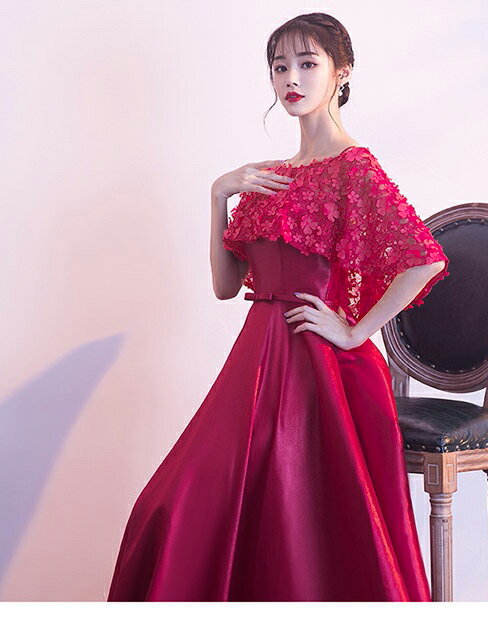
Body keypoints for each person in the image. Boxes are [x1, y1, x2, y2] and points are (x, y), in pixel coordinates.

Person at [107, 12, 449, 602]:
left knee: (289, 517)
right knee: (166, 505)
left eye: (308, 64)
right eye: (280, 66)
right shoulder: (268, 177)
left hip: (316, 369)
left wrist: (354, 332)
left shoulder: (354, 168)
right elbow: (225, 286)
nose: (291, 78)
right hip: (255, 359)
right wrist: (219, 194)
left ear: (342, 72)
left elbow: (425, 260)